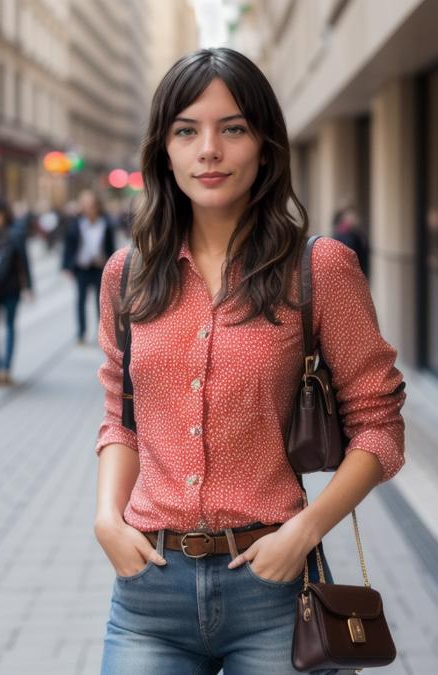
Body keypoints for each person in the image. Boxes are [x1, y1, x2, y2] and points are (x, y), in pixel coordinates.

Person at [94, 48, 406, 675]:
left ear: (265, 145)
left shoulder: (319, 268)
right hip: (148, 589)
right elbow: (121, 418)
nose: (208, 149)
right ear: (165, 150)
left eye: (232, 128)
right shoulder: (126, 275)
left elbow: (380, 427)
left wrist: (306, 530)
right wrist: (106, 520)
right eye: (187, 130)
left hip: (273, 585)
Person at [0, 197, 33, 385]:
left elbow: (24, 260)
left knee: (9, 326)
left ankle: (6, 367)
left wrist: (28, 286)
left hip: (11, 289)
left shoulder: (16, 233)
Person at [62, 190, 115, 344]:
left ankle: (103, 335)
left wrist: (109, 263)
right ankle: (81, 332)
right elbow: (69, 246)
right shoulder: (76, 224)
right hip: (82, 268)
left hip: (100, 268)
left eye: (91, 205)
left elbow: (111, 247)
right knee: (81, 301)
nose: (88, 209)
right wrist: (67, 266)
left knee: (102, 303)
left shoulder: (106, 224)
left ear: (97, 206)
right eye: (84, 205)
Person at [332, 206, 369, 277]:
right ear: (345, 218)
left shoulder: (358, 233)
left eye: (355, 216)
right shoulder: (341, 233)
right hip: (347, 271)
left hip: (358, 270)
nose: (354, 219)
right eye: (351, 216)